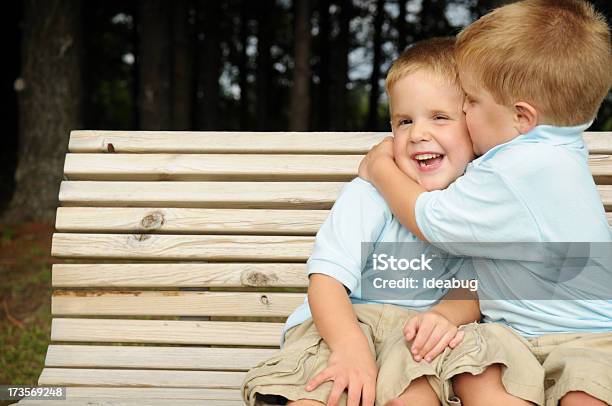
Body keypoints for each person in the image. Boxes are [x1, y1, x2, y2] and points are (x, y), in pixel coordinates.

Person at [358, 1, 612, 405]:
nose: (464, 110)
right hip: (518, 335)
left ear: (522, 117)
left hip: (587, 338)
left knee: (586, 385)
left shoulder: (514, 171)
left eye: (472, 101)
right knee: (476, 365)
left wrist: (381, 169)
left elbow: (432, 220)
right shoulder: (559, 147)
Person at [242, 37, 481, 406]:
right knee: (325, 389)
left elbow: (477, 282)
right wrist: (351, 347)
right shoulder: (368, 194)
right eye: (404, 121)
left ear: (476, 125)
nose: (417, 134)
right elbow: (326, 284)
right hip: (341, 325)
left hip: (417, 335)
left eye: (439, 117)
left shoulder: (481, 203)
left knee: (415, 394)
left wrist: (445, 316)